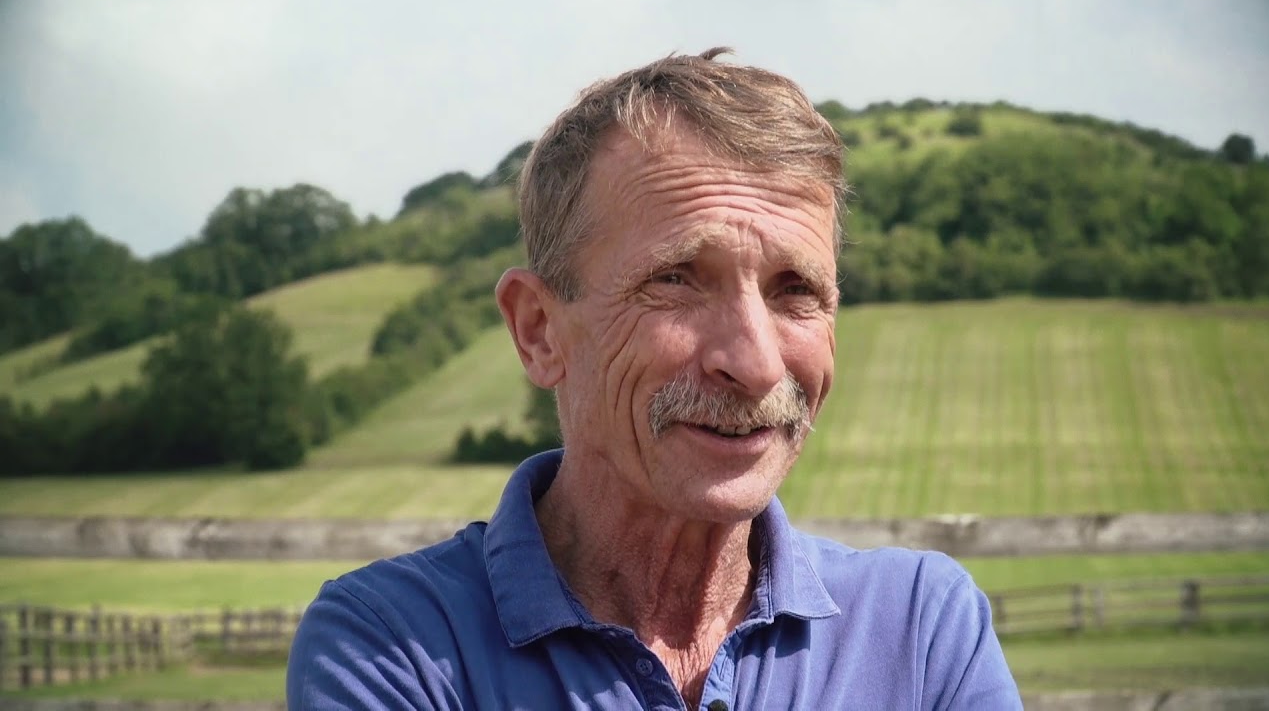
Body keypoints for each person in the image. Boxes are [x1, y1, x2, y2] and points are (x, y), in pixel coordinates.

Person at [287, 48, 1021, 710]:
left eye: (796, 290)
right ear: (538, 331)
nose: (757, 362)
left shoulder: (919, 629)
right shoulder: (392, 645)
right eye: (676, 280)